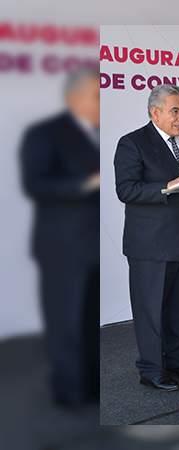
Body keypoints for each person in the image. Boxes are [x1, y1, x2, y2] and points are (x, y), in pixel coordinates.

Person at [113, 84, 179, 391]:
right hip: (151, 245)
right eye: (175, 111)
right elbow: (126, 189)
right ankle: (152, 370)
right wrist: (165, 187)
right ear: (155, 112)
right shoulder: (133, 143)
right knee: (152, 311)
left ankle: (176, 363)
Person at [20, 68, 100, 406]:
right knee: (66, 322)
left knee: (88, 322)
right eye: (97, 96)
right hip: (62, 246)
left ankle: (92, 387)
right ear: (74, 98)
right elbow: (35, 184)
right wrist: (83, 184)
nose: (102, 103)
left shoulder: (100, 134)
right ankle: (70, 393)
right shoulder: (45, 134)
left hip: (94, 245)